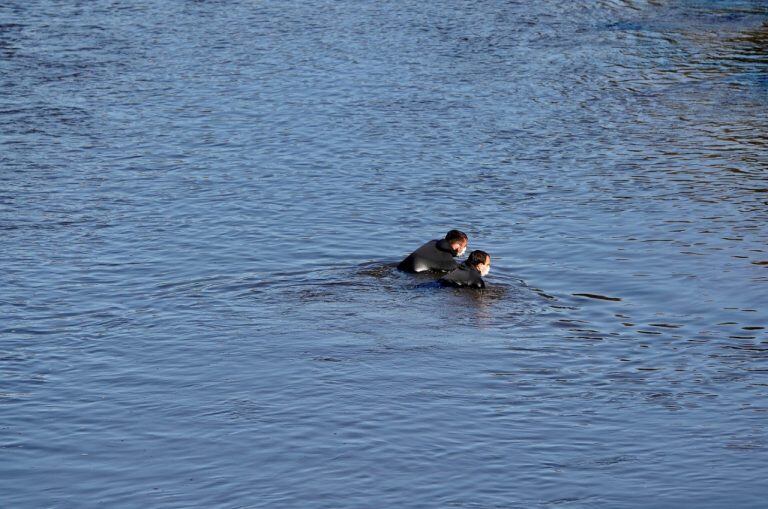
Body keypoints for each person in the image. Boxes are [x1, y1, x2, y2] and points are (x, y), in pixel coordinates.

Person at [397, 230, 468, 273]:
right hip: (415, 275)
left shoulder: (432, 242)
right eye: (464, 246)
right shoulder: (449, 261)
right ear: (458, 247)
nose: (465, 248)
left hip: (401, 267)